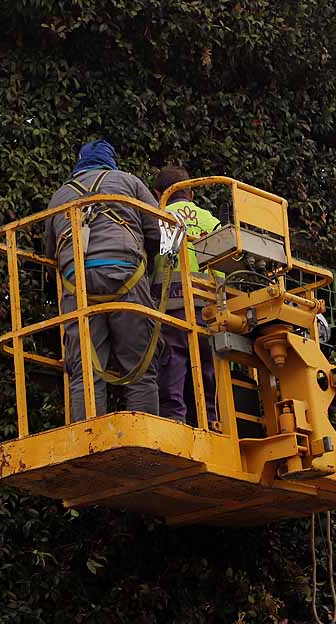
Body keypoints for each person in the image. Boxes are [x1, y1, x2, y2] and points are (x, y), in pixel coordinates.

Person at [44, 140, 161, 421]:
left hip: (76, 284)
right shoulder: (128, 182)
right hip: (126, 276)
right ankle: (144, 435)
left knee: (84, 370)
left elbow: (50, 256)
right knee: (140, 366)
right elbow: (159, 233)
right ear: (110, 162)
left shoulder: (59, 196)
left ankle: (86, 437)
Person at [152, 165, 220, 425]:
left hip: (172, 305)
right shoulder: (210, 221)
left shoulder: (157, 215)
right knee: (208, 368)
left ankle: (174, 421)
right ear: (191, 194)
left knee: (174, 364)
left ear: (160, 193)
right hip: (210, 308)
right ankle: (211, 422)